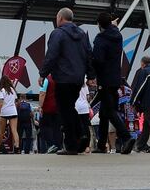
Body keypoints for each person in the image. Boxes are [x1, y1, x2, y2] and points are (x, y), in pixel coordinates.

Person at [39, 8, 96, 155]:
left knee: (64, 111)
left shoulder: (58, 33)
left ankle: (72, 144)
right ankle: (81, 135)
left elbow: (51, 55)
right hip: (78, 79)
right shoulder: (82, 34)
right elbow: (89, 55)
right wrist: (90, 76)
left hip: (63, 78)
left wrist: (43, 74)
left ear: (60, 18)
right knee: (69, 107)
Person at [91, 13, 135, 154]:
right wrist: (113, 25)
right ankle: (101, 145)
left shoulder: (100, 39)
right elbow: (112, 29)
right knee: (104, 113)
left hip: (104, 79)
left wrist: (92, 74)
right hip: (116, 79)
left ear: (99, 24)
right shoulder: (117, 36)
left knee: (109, 111)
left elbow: (98, 59)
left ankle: (126, 137)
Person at [0, 76, 20, 153]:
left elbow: (1, 103)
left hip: (4, 112)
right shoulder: (13, 90)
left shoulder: (2, 90)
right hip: (13, 111)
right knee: (14, 130)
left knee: (1, 131)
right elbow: (16, 102)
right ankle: (17, 147)